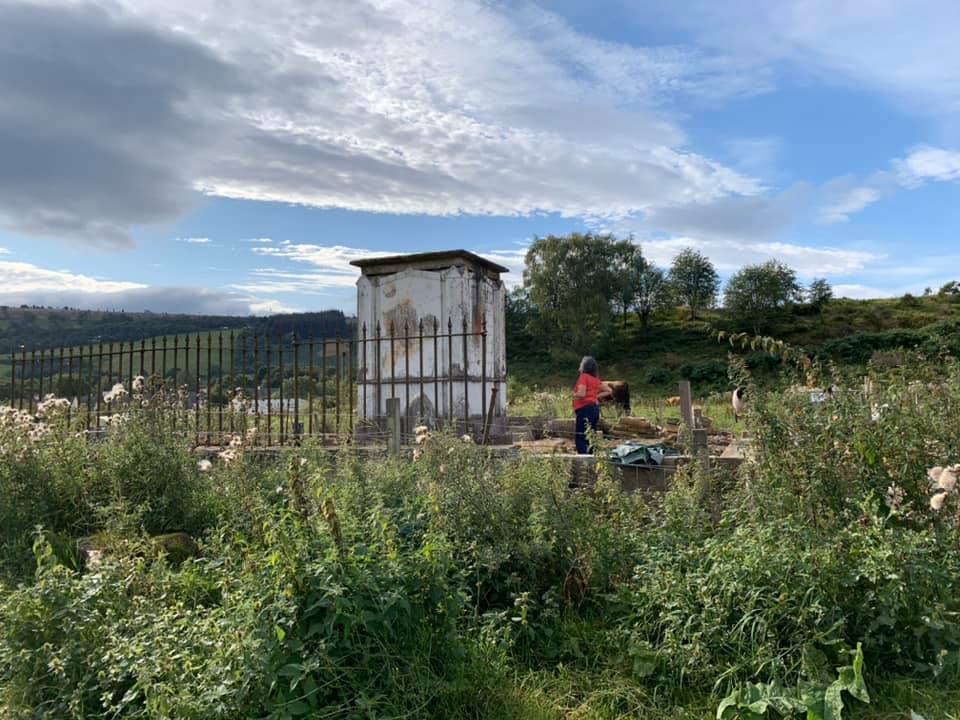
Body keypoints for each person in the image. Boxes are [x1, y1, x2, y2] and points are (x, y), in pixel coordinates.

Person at [572, 356, 612, 454]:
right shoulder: (595, 379)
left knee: (580, 436)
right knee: (590, 435)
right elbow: (609, 390)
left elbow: (581, 394)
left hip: (584, 408)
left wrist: (573, 395)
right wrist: (595, 396)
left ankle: (583, 461)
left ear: (584, 366)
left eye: (581, 363)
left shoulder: (583, 377)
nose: (580, 364)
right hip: (595, 408)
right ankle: (592, 458)